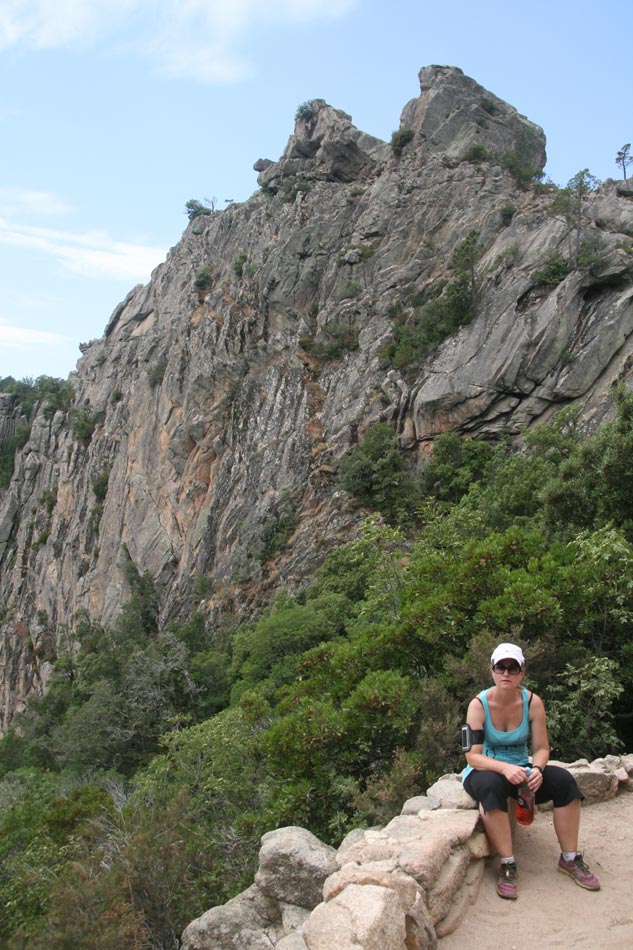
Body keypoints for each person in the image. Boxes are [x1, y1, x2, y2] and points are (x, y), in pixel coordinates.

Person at [462, 642, 600, 900]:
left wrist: (537, 768)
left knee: (565, 783)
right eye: (500, 667)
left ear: (522, 672)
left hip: (522, 768)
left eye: (512, 668)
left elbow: (541, 748)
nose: (506, 673)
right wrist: (505, 768)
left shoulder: (533, 702)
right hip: (486, 768)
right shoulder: (478, 705)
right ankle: (507, 864)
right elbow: (473, 756)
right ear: (492, 670)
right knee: (490, 788)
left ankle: (570, 858)